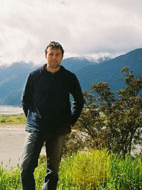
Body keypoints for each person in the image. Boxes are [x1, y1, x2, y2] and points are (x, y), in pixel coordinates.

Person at [20, 41, 84, 190]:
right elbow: (25, 100)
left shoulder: (69, 77)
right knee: (26, 167)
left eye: (57, 55)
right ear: (45, 55)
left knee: (53, 171)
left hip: (59, 129)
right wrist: (32, 119)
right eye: (51, 54)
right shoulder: (34, 76)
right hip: (36, 128)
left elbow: (79, 101)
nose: (54, 57)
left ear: (62, 57)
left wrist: (71, 121)